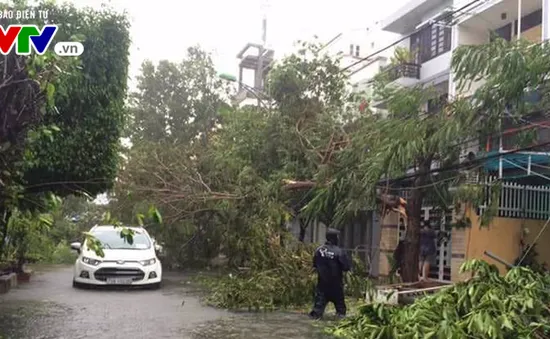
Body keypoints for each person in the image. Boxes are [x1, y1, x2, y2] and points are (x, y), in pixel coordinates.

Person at [309, 228, 351, 320]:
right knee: (341, 313)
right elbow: (346, 267)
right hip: (336, 287)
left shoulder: (319, 250)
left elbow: (315, 265)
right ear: (334, 238)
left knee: (316, 314)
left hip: (322, 286)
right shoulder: (339, 251)